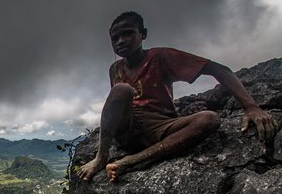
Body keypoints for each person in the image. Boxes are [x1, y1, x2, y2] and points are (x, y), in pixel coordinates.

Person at [77, 11, 279, 182]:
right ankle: (101, 158)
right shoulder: (115, 69)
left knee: (209, 119)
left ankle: (132, 161)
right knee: (121, 90)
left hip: (160, 125)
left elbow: (220, 70)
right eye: (115, 38)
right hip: (128, 128)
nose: (121, 41)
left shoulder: (161, 57)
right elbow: (118, 104)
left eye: (128, 34)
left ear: (143, 34)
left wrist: (251, 106)